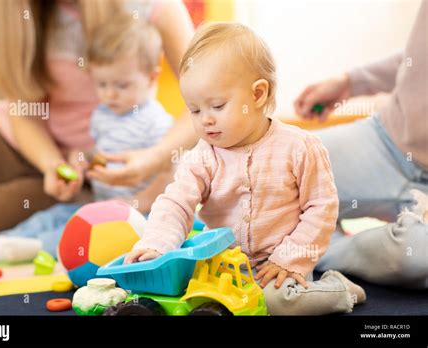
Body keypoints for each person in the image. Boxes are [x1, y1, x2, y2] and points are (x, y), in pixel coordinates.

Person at [124, 22, 367, 315]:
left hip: (278, 270)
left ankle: (338, 288)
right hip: (221, 270)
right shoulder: (203, 156)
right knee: (188, 295)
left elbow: (322, 208)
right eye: (195, 110)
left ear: (257, 95)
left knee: (279, 304)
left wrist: (289, 258)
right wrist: (157, 244)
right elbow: (176, 202)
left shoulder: (300, 148)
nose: (205, 120)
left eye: (216, 105)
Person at [0, 0, 196, 234]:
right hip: (17, 140)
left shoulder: (153, 8)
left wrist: (154, 157)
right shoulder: (27, 12)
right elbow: (24, 112)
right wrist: (51, 163)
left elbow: (202, 101)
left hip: (82, 175)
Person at [0, 14, 175, 261]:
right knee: (53, 215)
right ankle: (1, 241)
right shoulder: (103, 114)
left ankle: (23, 250)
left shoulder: (156, 121)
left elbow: (172, 173)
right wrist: (78, 161)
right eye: (102, 84)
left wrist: (137, 201)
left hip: (142, 214)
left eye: (121, 86)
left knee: (70, 235)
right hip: (100, 206)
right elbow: (94, 154)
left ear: (152, 77)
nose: (110, 94)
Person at [294, 0, 428, 289]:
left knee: (416, 257)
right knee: (278, 173)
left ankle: (326, 251)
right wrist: (351, 83)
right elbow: (418, 57)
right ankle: (316, 246)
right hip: (384, 142)